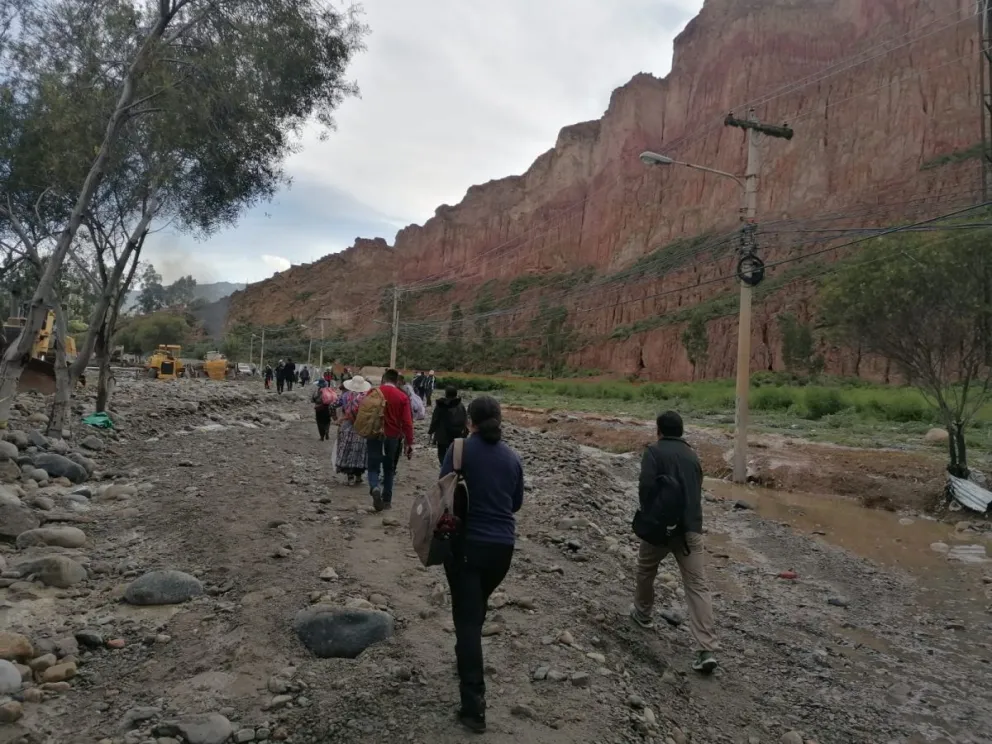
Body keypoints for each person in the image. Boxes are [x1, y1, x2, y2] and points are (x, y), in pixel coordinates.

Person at [439, 396, 523, 734]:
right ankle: (465, 657)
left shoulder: (459, 450)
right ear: (499, 420)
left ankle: (474, 708)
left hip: (467, 546)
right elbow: (515, 504)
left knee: (467, 620)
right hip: (503, 550)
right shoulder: (513, 457)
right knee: (476, 608)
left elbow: (443, 492)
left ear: (469, 421)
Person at [630, 410, 718, 674]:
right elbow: (696, 492)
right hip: (690, 530)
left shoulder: (653, 452)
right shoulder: (692, 456)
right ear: (681, 431)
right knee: (697, 586)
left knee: (646, 571)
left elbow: (645, 488)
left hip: (659, 530)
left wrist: (650, 517)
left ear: (659, 430)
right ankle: (706, 649)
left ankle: (643, 614)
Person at [366, 368, 414, 512]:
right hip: (392, 437)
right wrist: (409, 442)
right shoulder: (402, 397)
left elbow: (362, 411)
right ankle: (387, 500)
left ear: (384, 379)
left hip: (374, 435)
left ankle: (375, 487)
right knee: (389, 469)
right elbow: (407, 422)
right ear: (397, 381)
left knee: (373, 466)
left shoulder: (373, 392)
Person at [335, 375, 371, 486]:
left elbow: (333, 405)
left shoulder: (345, 395)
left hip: (347, 426)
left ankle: (350, 477)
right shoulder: (366, 397)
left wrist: (336, 419)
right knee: (359, 451)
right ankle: (358, 476)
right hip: (361, 428)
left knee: (347, 450)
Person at [429, 386, 468, 465]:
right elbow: (465, 420)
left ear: (446, 394)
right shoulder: (460, 405)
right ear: (456, 394)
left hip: (442, 434)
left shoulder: (441, 405)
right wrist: (465, 433)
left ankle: (444, 467)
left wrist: (431, 431)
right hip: (457, 435)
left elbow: (435, 420)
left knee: (442, 453)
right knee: (454, 454)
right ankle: (452, 468)